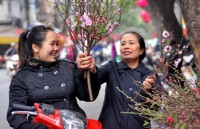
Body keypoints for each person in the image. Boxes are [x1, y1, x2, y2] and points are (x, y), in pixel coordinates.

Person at [7, 25, 100, 129]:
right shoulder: (21, 78)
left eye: (57, 44)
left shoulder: (68, 67)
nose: (56, 48)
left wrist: (91, 72)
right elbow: (15, 114)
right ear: (35, 47)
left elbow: (88, 96)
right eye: (52, 44)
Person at [77, 31, 161, 129]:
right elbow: (94, 81)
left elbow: (156, 107)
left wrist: (150, 92)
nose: (126, 46)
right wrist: (91, 70)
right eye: (123, 44)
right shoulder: (112, 67)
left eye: (131, 43)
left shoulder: (150, 75)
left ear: (141, 50)